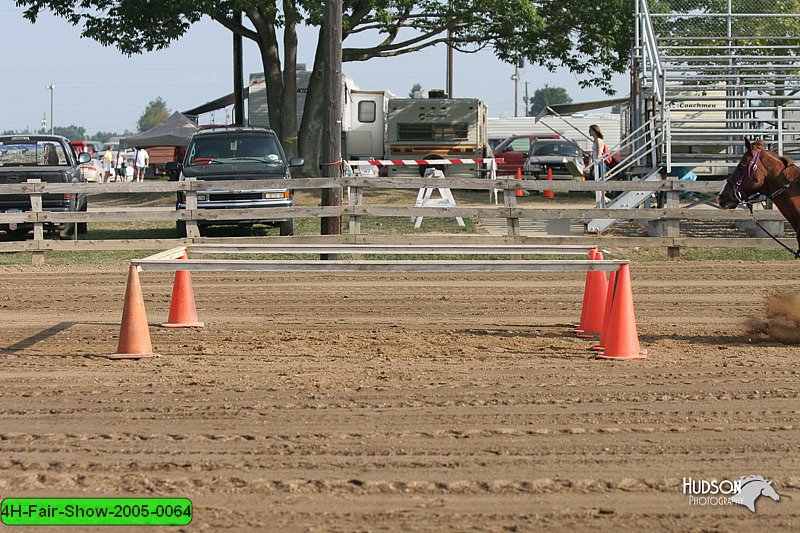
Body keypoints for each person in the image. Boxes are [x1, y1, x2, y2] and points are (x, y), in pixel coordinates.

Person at [588, 124, 607, 207]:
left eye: (590, 130)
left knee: (598, 183)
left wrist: (596, 163)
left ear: (594, 131)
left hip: (599, 163)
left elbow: (599, 153)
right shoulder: (594, 141)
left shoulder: (599, 140)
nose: (589, 132)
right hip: (595, 163)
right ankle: (604, 199)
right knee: (592, 182)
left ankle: (602, 201)